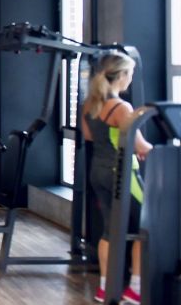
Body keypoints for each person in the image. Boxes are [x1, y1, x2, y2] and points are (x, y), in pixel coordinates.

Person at [81, 53, 152, 304]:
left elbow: (90, 136)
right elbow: (141, 146)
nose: (131, 79)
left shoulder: (89, 105)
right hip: (121, 174)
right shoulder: (122, 107)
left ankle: (105, 288)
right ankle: (135, 289)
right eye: (130, 74)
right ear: (121, 75)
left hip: (98, 172)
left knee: (110, 230)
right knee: (148, 226)